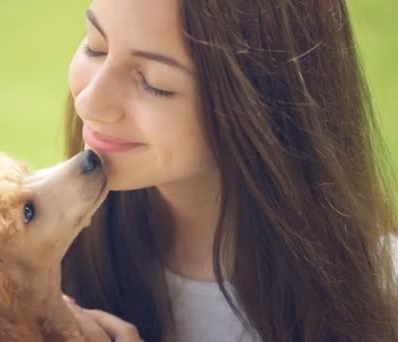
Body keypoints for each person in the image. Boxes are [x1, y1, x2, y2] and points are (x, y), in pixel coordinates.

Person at [59, 0, 398, 341]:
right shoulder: (34, 254)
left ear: (258, 103)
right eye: (95, 46)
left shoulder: (382, 298)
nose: (89, 101)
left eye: (154, 82)